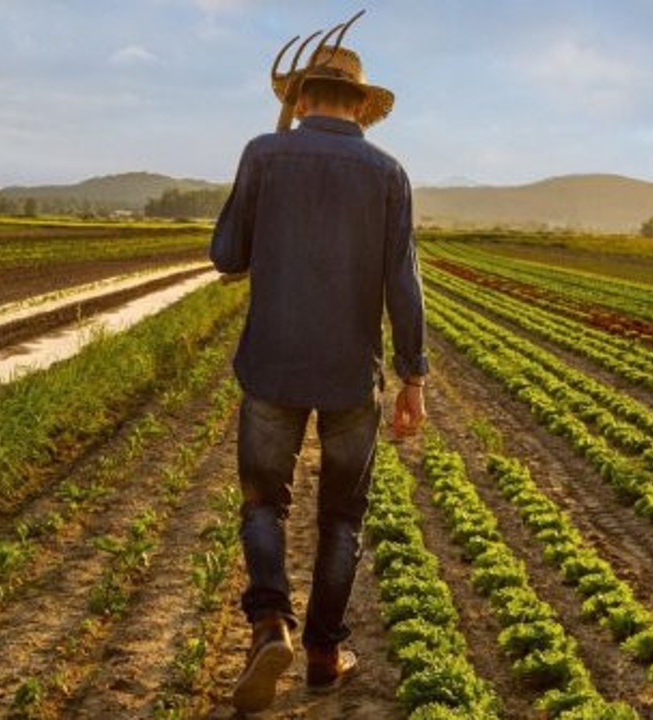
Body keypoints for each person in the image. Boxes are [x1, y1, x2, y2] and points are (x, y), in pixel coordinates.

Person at [209, 20, 428, 714]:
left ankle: (270, 621)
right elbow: (404, 285)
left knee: (262, 502)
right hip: (349, 377)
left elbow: (226, 255)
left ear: (301, 99)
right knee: (342, 519)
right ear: (360, 106)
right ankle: (325, 656)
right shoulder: (390, 173)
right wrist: (413, 378)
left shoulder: (263, 153)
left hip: (271, 363)